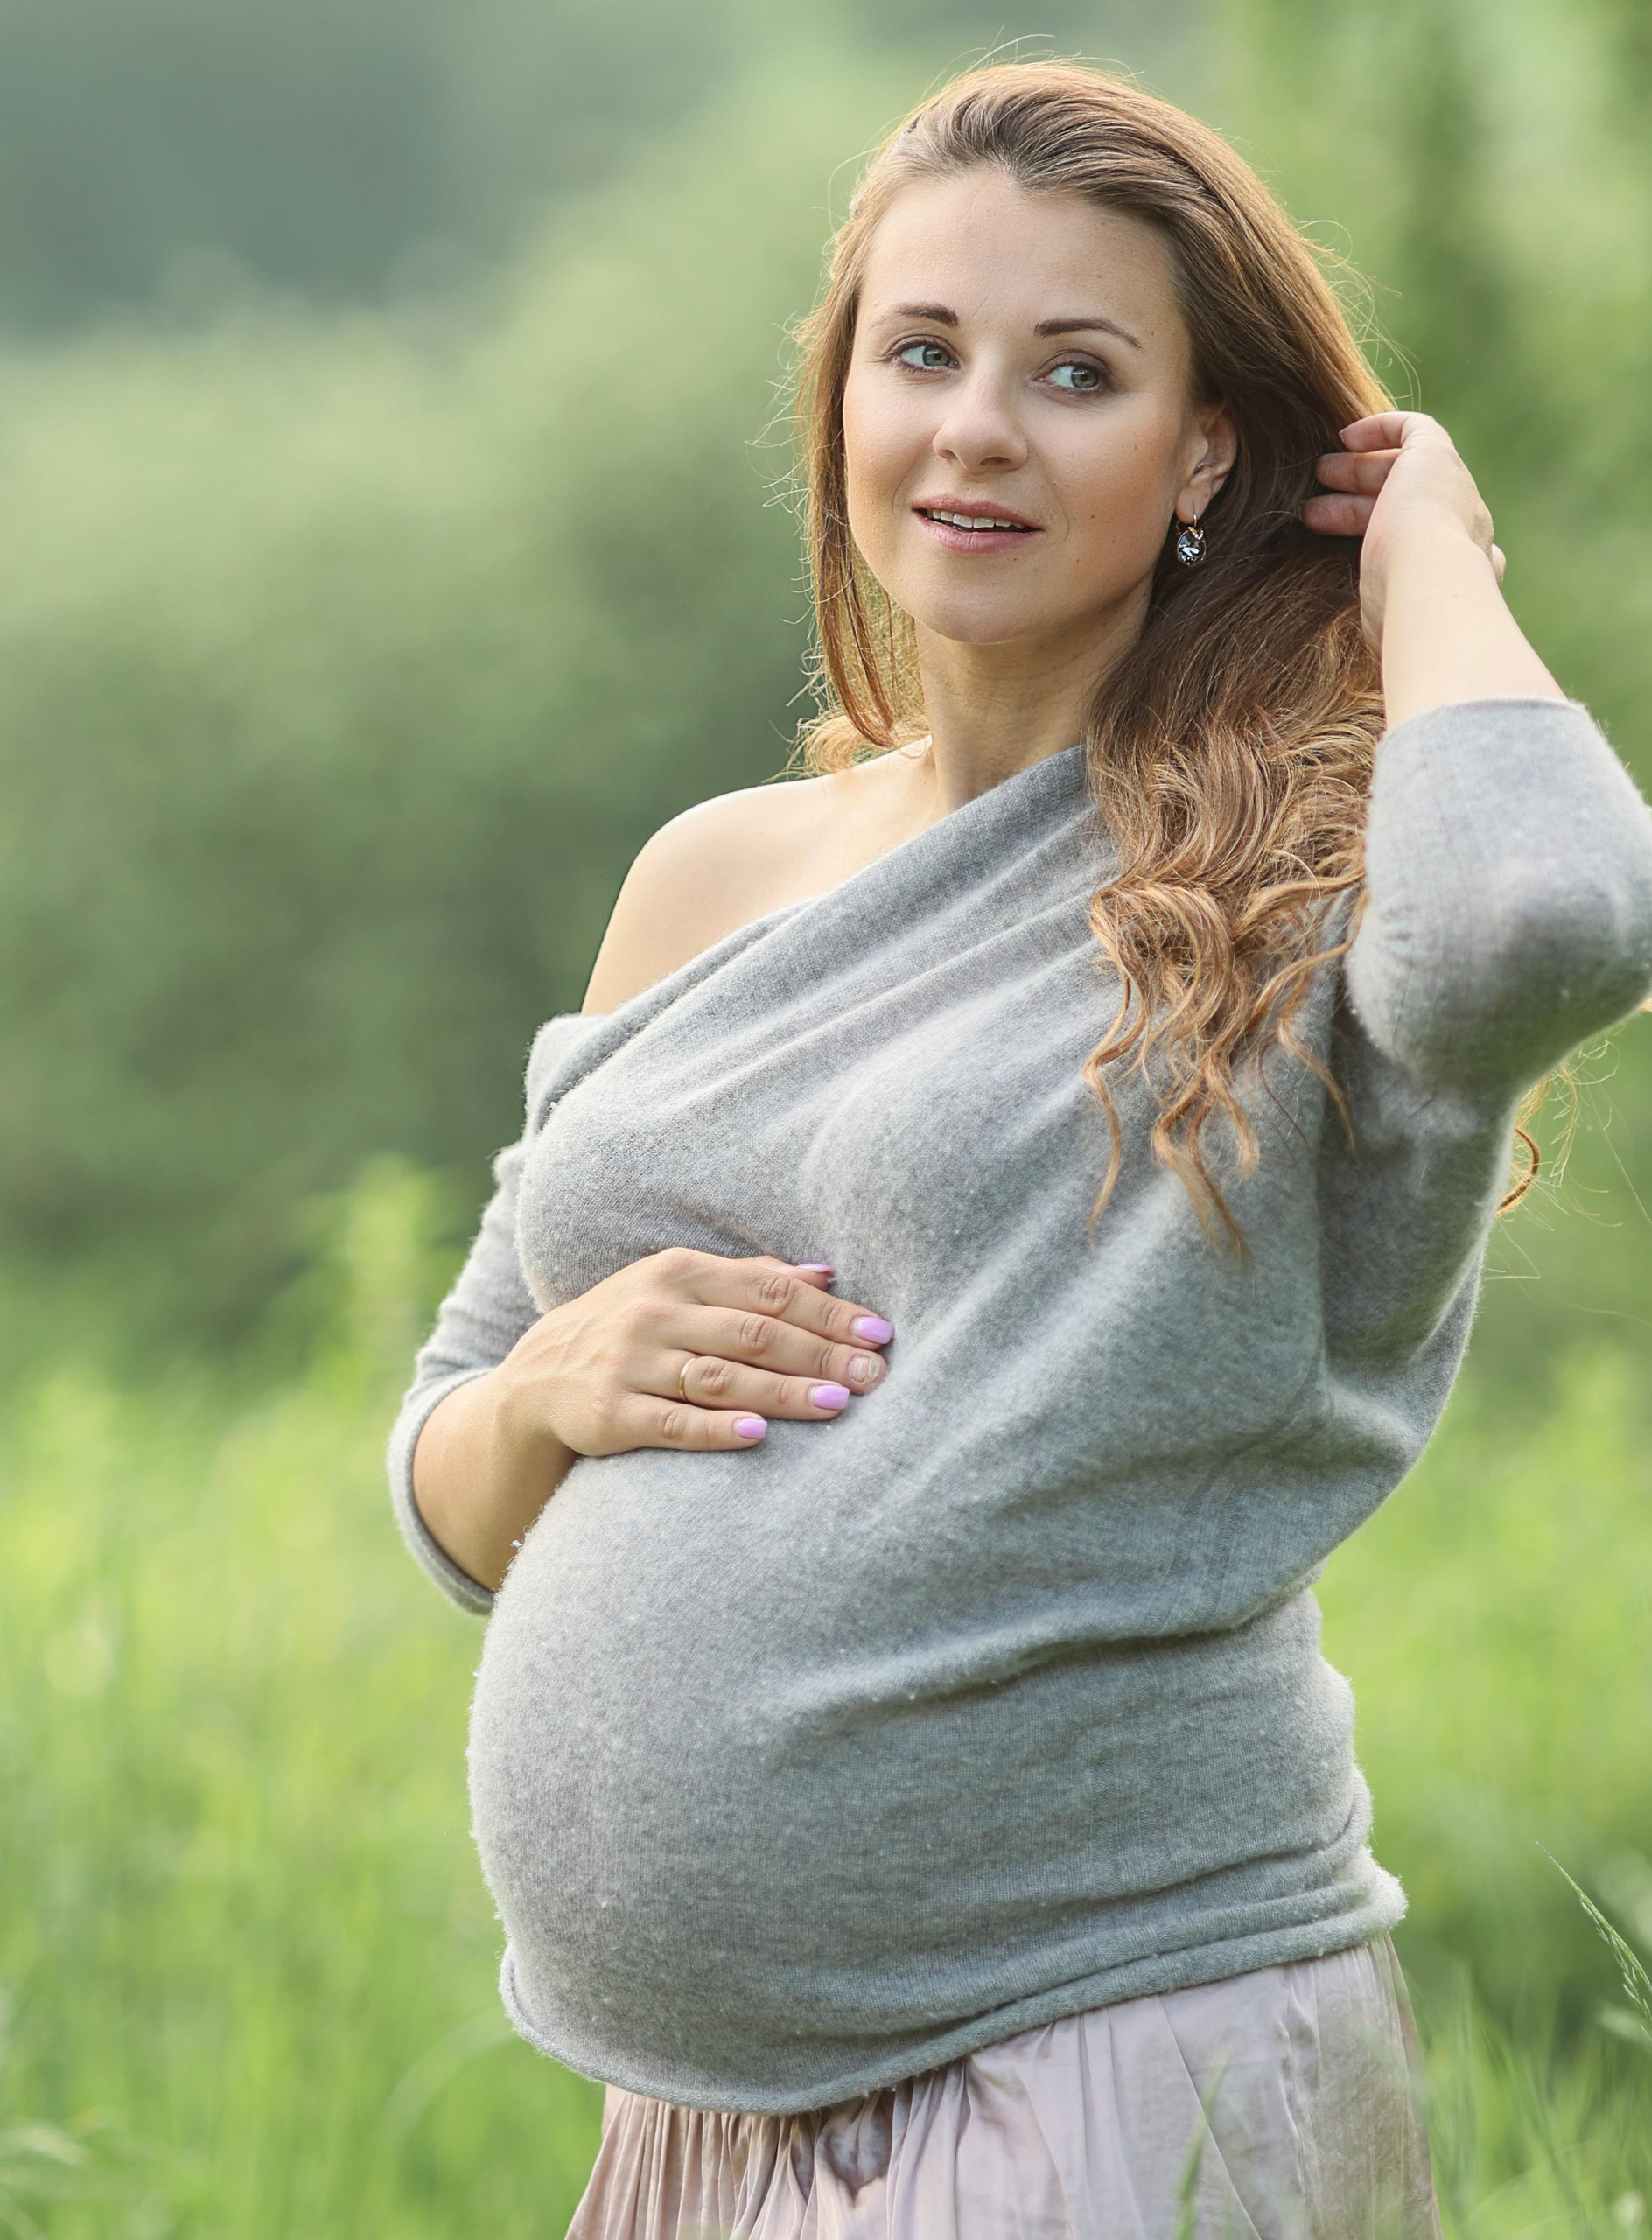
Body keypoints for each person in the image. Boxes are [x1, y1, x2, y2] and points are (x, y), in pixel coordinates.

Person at [383, 59, 1652, 2240]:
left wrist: (1424, 553)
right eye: (922, 353)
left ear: (1205, 452)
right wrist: (537, 1396)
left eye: (1074, 372)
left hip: (1101, 2042)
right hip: (695, 2122)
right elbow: (442, 1475)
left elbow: (1548, 914)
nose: (975, 426)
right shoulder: (711, 871)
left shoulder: (1308, 874)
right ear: (843, 406)